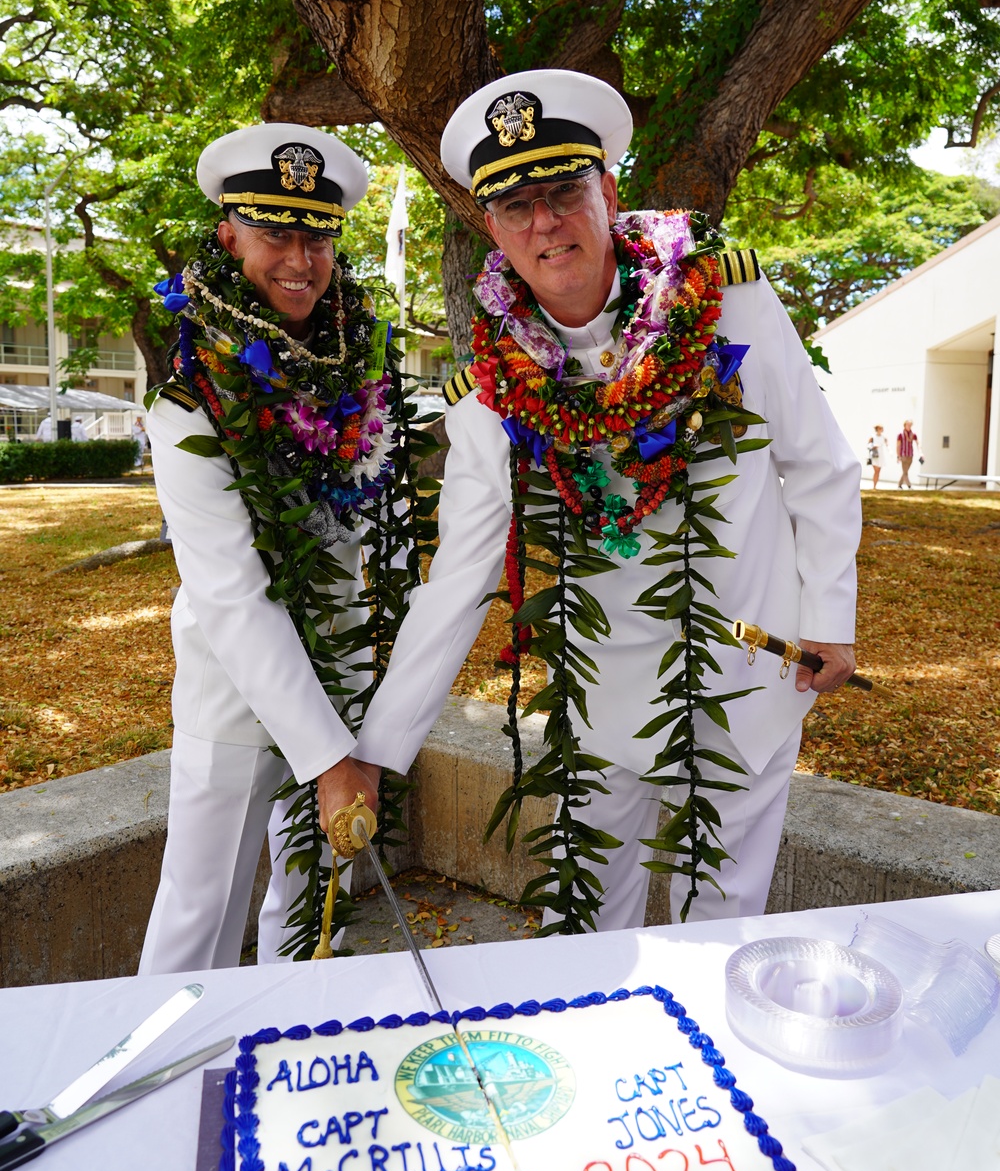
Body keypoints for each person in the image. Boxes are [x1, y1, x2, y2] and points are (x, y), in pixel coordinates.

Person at [339, 69, 861, 929]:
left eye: (563, 191)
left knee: (719, 930)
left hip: (742, 675)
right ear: (491, 229)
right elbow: (458, 581)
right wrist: (374, 754)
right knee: (578, 932)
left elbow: (817, 464)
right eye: (516, 207)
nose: (544, 222)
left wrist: (830, 617)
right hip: (597, 697)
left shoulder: (726, 304)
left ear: (608, 190)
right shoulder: (490, 396)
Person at [139, 122, 399, 973]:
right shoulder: (190, 400)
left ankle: (294, 1088)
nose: (299, 256)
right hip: (233, 703)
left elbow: (381, 527)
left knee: (313, 923)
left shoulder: (357, 374)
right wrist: (326, 756)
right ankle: (163, 1092)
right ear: (228, 235)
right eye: (274, 231)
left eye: (317, 234)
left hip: (343, 688)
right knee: (198, 918)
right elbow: (231, 596)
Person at [897, 419, 921, 488]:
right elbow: (898, 445)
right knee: (905, 472)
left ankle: (899, 484)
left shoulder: (913, 434)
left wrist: (921, 453)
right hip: (903, 455)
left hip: (910, 455)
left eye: (910, 425)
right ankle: (909, 485)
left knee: (905, 471)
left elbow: (918, 443)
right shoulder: (900, 434)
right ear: (905, 425)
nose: (909, 426)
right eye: (908, 424)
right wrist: (898, 456)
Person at [867, 424, 889, 489]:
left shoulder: (884, 437)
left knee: (878, 471)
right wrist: (873, 446)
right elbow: (868, 445)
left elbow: (887, 445)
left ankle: (875, 486)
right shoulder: (872, 437)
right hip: (874, 455)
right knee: (876, 470)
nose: (881, 430)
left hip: (881, 455)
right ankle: (874, 485)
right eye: (880, 429)